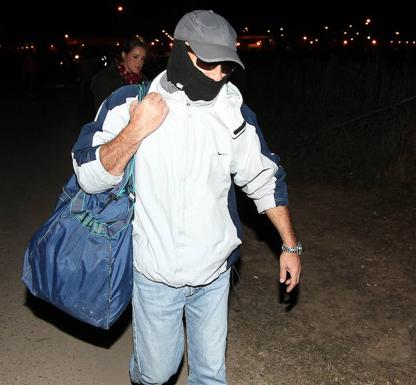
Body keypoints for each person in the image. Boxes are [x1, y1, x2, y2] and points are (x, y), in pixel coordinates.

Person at [72, 10, 301, 384]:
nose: (216, 76)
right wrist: (135, 130)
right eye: (208, 63)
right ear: (181, 52)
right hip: (156, 273)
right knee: (158, 371)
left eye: (225, 66)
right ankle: (144, 367)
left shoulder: (232, 111)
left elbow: (264, 178)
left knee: (210, 374)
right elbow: (88, 175)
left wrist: (290, 246)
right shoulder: (129, 103)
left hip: (214, 271)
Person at [89, 35, 147, 111]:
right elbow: (102, 112)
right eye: (135, 57)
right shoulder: (106, 79)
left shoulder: (143, 81)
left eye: (142, 59)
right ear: (124, 55)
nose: (139, 62)